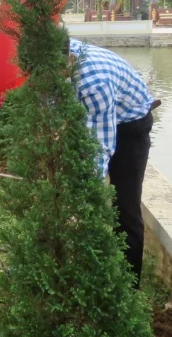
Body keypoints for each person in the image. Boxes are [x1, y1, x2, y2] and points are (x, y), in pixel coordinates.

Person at [67, 38, 158, 289]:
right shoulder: (58, 50)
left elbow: (100, 148)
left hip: (131, 124)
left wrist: (85, 201)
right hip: (104, 112)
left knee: (125, 206)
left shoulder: (94, 84)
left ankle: (128, 287)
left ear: (70, 61)